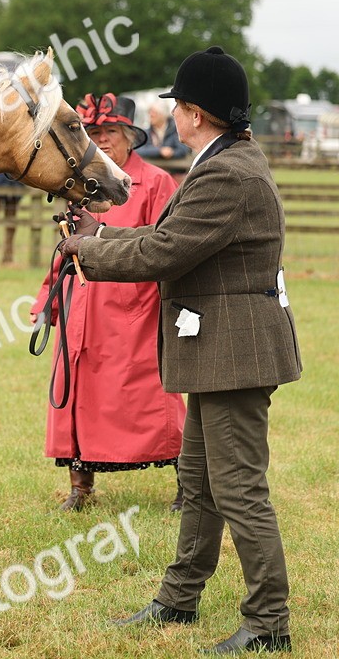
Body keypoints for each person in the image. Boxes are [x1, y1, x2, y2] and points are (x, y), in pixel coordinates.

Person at [60, 46, 302, 654]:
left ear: (195, 112)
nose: (174, 117)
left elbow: (165, 254)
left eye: (179, 107)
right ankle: (179, 599)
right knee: (197, 480)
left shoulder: (227, 173)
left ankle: (269, 622)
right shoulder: (225, 161)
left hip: (234, 353)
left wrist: (87, 250)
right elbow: (168, 237)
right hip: (220, 350)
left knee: (239, 487)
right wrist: (103, 233)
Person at [31, 93, 183, 512]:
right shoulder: (83, 186)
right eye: (95, 133)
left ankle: (188, 483)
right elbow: (66, 246)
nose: (103, 140)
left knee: (153, 395)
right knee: (76, 392)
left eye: (110, 132)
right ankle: (80, 486)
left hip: (134, 310)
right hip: (82, 306)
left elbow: (170, 246)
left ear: (130, 137)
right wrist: (49, 298)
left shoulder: (155, 183)